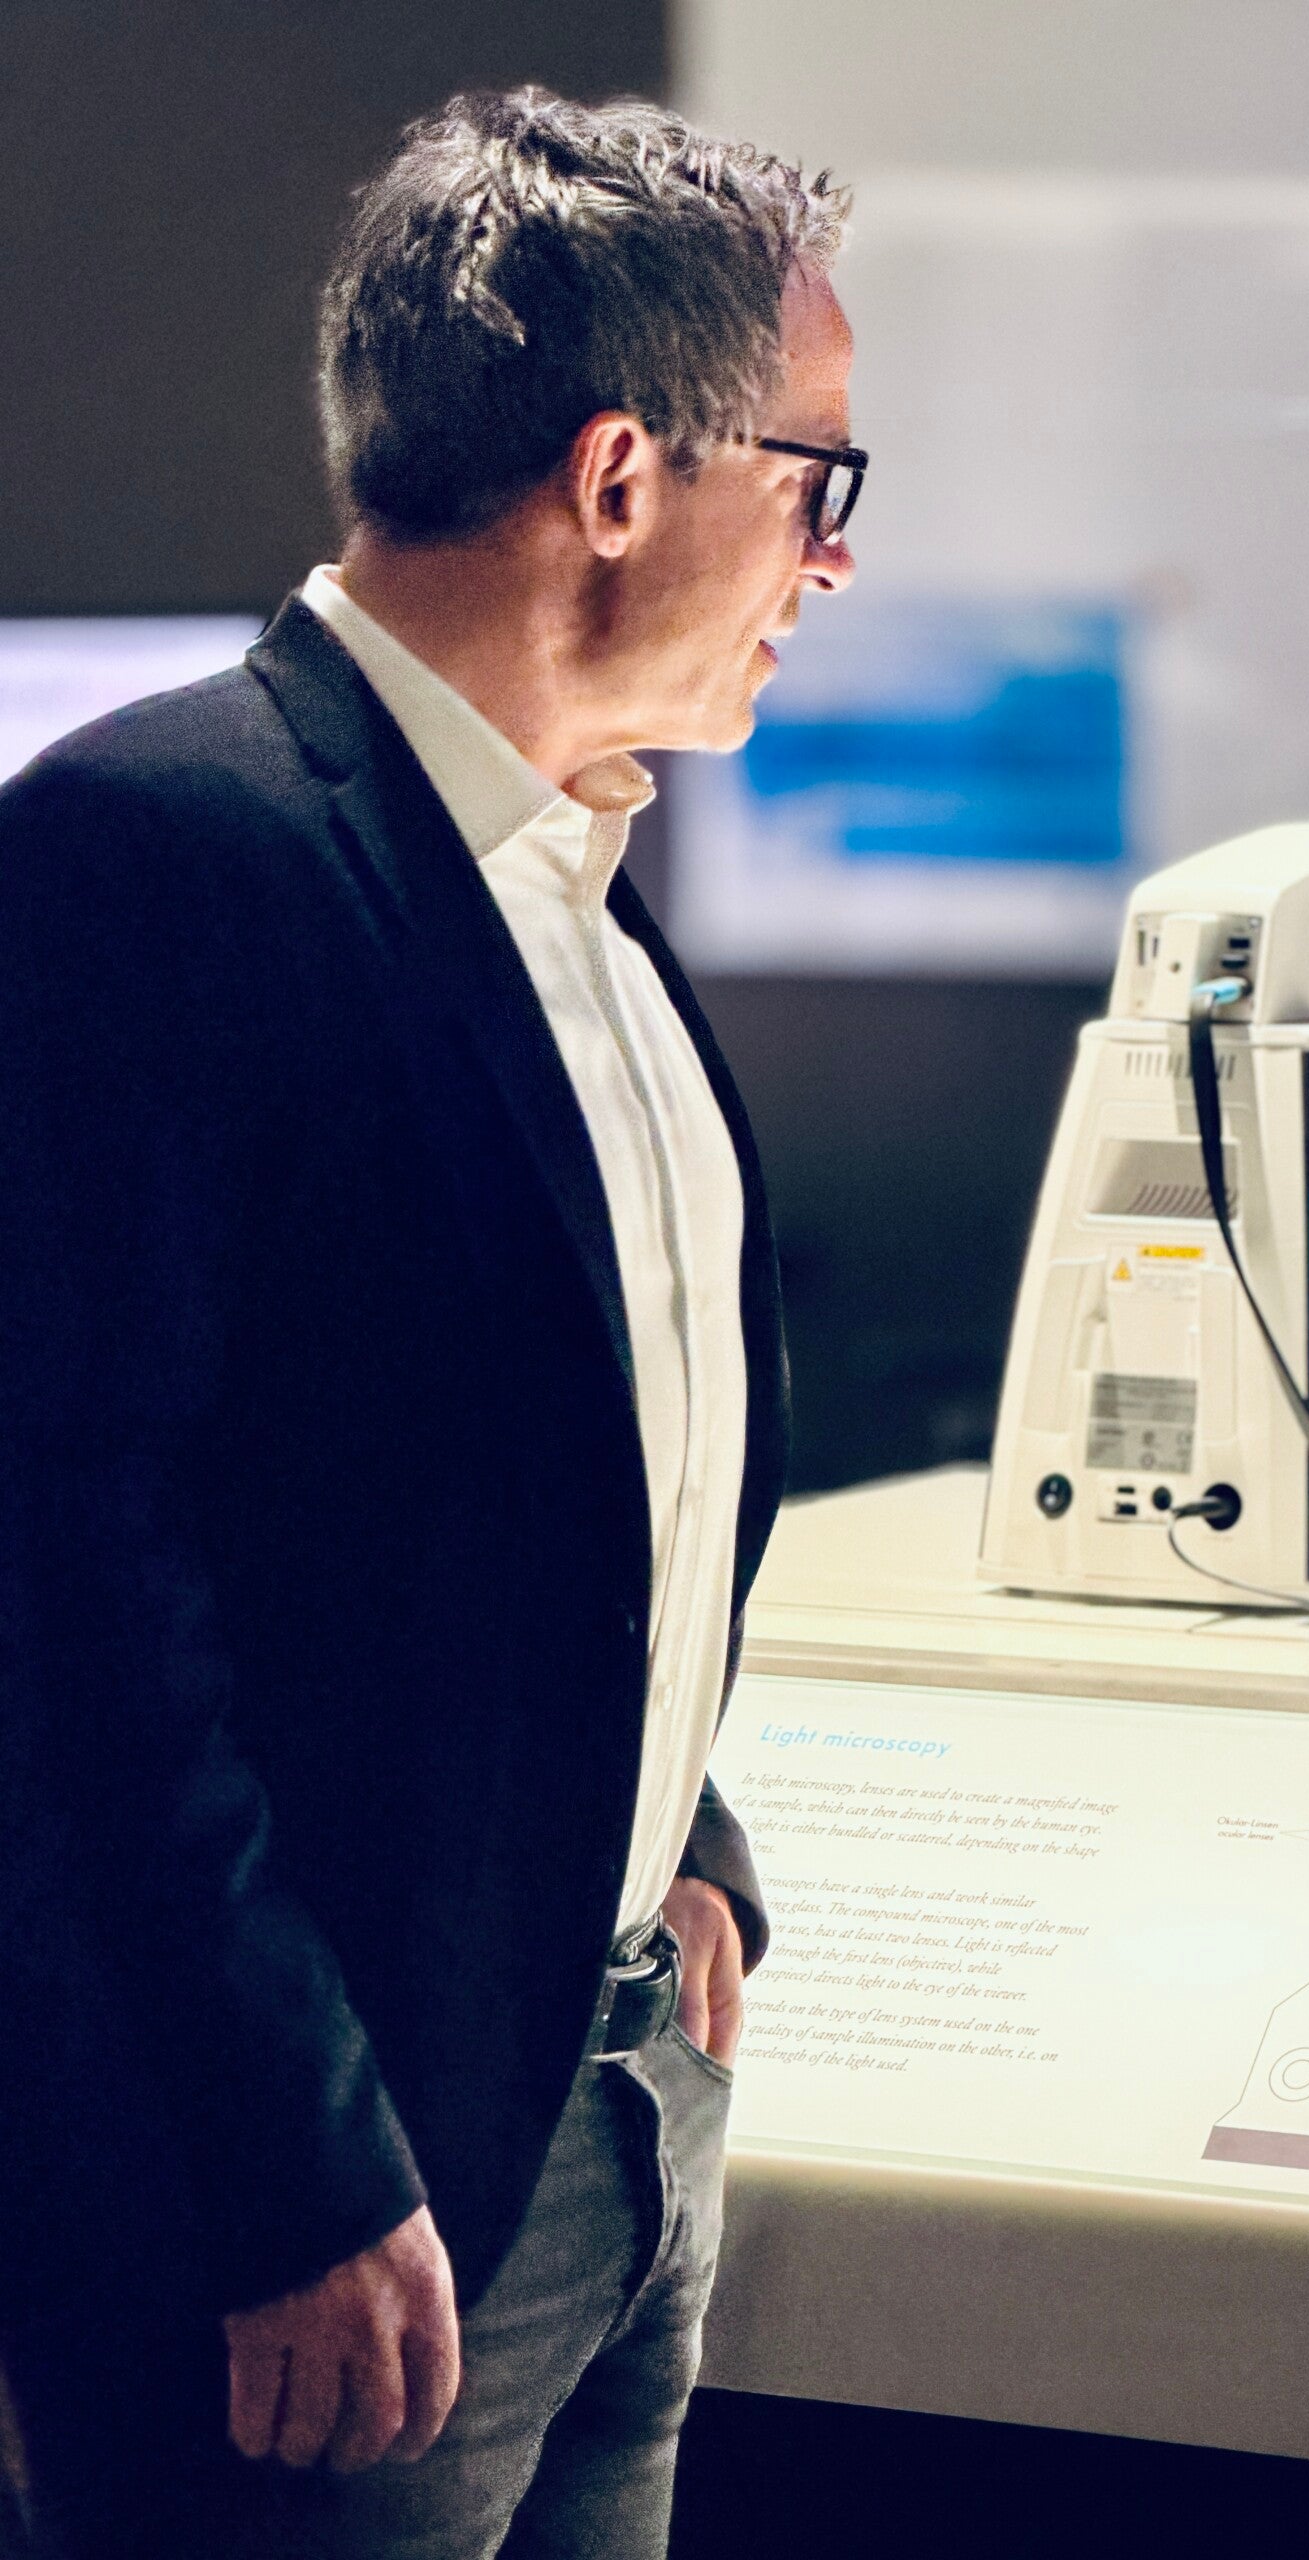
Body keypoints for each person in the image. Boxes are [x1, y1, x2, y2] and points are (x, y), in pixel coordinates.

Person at [0, 86, 859, 2558]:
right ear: (622, 476)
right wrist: (279, 2160)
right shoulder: (149, 851)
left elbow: (518, 1480)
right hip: (332, 2207)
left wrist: (676, 1823)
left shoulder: (570, 882)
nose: (832, 554)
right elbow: (68, 1596)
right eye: (821, 477)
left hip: (614, 2107)